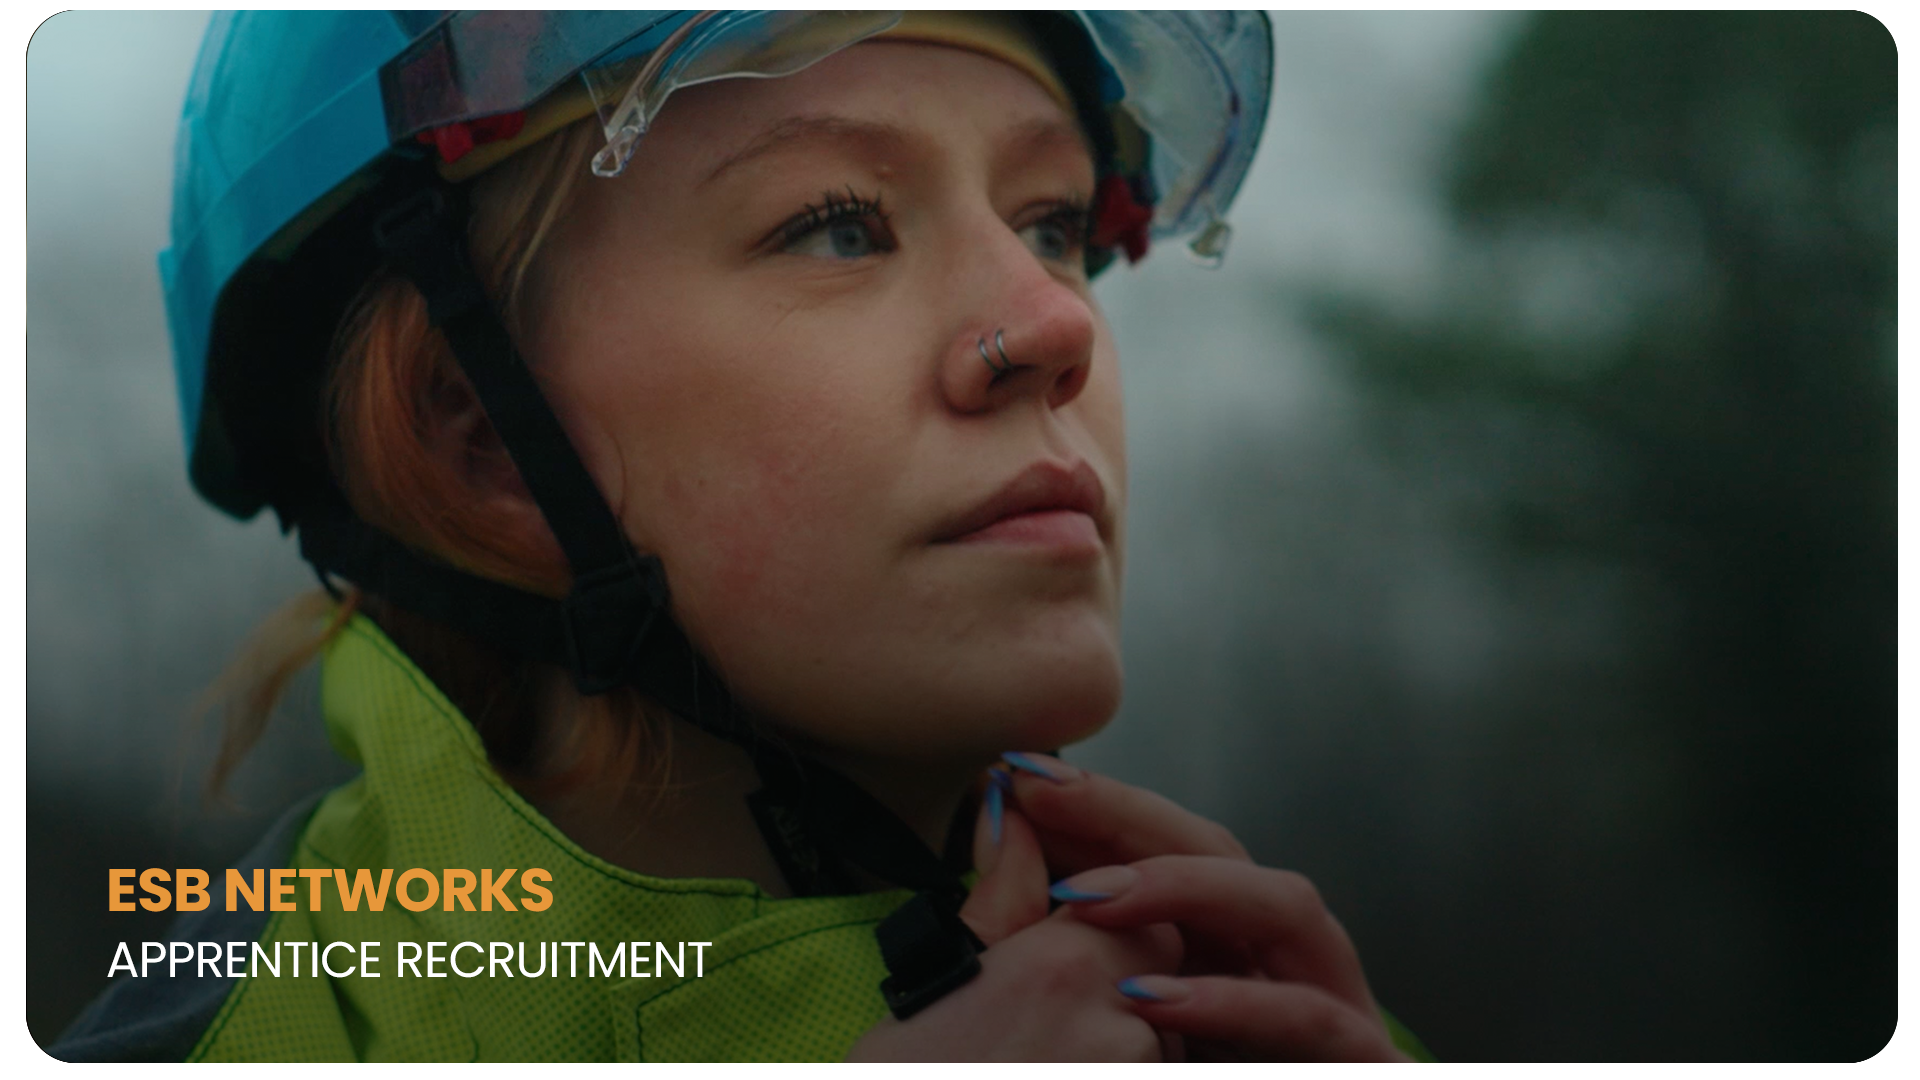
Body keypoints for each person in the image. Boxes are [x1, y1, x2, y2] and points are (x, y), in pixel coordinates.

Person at [53, 10, 1428, 1061]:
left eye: (1054, 224)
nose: (1056, 329)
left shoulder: (1256, 1012)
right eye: (839, 228)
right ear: (483, 439)